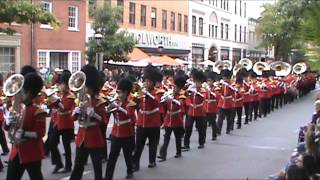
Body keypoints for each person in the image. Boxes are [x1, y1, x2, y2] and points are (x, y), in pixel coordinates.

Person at [5, 72, 46, 180]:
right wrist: (8, 122)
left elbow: (40, 133)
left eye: (22, 91)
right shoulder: (16, 108)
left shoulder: (37, 111)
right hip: (16, 152)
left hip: (32, 152)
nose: (19, 93)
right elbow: (6, 128)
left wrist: (24, 133)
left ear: (29, 93)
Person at [70, 65, 108, 180]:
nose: (84, 88)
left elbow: (104, 120)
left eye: (86, 86)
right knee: (78, 165)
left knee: (97, 166)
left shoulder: (99, 102)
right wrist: (76, 111)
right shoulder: (80, 100)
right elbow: (73, 119)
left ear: (92, 86)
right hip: (82, 137)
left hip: (94, 136)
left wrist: (94, 114)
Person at [132, 65, 163, 171]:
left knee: (153, 144)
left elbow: (156, 102)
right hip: (141, 122)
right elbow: (134, 103)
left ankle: (152, 161)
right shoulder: (141, 91)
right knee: (139, 145)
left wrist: (147, 94)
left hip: (153, 122)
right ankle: (135, 163)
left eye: (149, 81)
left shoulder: (157, 92)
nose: (147, 83)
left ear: (153, 82)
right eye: (146, 81)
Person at [104, 78, 136, 180]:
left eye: (120, 92)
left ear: (126, 93)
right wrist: (109, 107)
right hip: (116, 133)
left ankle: (130, 171)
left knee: (127, 156)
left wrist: (118, 107)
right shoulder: (116, 101)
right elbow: (108, 113)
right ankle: (108, 176)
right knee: (112, 157)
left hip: (127, 134)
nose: (118, 94)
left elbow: (129, 115)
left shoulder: (130, 104)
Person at [50, 70, 76, 173]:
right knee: (52, 143)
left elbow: (64, 108)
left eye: (63, 84)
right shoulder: (60, 95)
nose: (61, 87)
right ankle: (58, 163)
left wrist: (56, 101)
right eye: (60, 84)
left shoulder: (70, 96)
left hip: (67, 123)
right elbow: (54, 107)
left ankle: (68, 166)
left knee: (66, 146)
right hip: (58, 122)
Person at [158, 75, 186, 161]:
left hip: (177, 119)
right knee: (166, 137)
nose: (174, 89)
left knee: (177, 137)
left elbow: (181, 106)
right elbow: (165, 106)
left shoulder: (181, 96)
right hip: (168, 119)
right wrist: (163, 100)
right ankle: (163, 154)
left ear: (180, 88)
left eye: (176, 87)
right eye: (174, 87)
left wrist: (172, 99)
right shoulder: (169, 94)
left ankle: (178, 152)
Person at [183, 70, 206, 150]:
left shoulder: (203, 90)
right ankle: (186, 145)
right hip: (191, 111)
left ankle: (201, 143)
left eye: (198, 82)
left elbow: (205, 99)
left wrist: (199, 105)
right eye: (196, 81)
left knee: (201, 128)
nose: (196, 83)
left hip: (200, 112)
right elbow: (187, 97)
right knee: (188, 128)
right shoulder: (191, 89)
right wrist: (190, 104)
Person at [217, 69, 235, 135]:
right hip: (221, 103)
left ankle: (228, 129)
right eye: (224, 77)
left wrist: (228, 85)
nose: (225, 79)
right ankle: (218, 130)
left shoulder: (232, 84)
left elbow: (234, 92)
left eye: (226, 78)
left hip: (229, 103)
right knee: (220, 118)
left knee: (229, 118)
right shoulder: (221, 84)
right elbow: (217, 91)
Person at [204, 71, 219, 140]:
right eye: (208, 81)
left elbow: (217, 96)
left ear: (213, 81)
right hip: (205, 107)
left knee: (213, 122)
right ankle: (203, 138)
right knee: (204, 124)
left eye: (210, 81)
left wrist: (210, 91)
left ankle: (214, 135)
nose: (208, 82)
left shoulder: (215, 88)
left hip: (212, 107)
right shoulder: (204, 88)